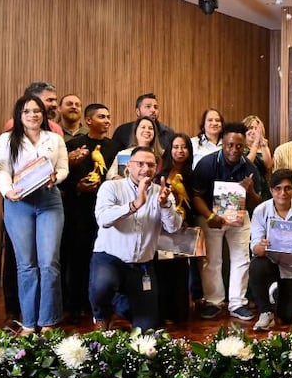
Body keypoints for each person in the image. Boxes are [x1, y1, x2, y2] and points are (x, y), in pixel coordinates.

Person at [0, 94, 70, 334]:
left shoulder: (55, 139)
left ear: (44, 114)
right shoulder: (7, 139)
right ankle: (28, 322)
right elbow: (2, 170)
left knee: (49, 263)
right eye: (27, 111)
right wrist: (8, 192)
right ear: (19, 115)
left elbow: (63, 169)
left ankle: (47, 321)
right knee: (26, 265)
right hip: (19, 204)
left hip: (49, 202)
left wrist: (55, 178)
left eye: (37, 111)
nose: (32, 115)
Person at [90, 146, 180, 331]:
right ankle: (102, 315)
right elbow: (104, 219)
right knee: (102, 286)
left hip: (142, 265)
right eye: (140, 164)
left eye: (150, 165)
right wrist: (135, 204)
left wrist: (165, 205)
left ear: (156, 168)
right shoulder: (111, 187)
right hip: (110, 259)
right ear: (128, 166)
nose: (145, 169)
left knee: (147, 329)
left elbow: (173, 227)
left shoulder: (161, 192)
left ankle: (122, 303)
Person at [190, 122, 260, 321]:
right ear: (223, 143)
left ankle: (237, 303)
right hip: (211, 216)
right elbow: (196, 196)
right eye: (230, 145)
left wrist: (251, 191)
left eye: (239, 146)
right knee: (212, 260)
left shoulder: (250, 167)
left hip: (240, 217)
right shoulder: (206, 164)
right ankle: (214, 302)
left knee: (241, 259)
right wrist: (210, 217)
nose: (234, 150)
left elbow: (257, 201)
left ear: (244, 146)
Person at [59, 103, 119, 324]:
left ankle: (103, 305)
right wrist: (78, 187)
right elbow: (60, 180)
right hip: (78, 211)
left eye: (109, 116)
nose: (107, 120)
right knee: (77, 260)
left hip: (105, 213)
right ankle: (76, 305)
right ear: (88, 121)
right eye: (102, 116)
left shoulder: (116, 147)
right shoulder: (73, 146)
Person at [248, 169, 292, 331]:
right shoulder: (261, 211)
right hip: (269, 262)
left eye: (288, 188)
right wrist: (261, 247)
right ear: (271, 190)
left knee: (287, 317)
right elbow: (255, 246)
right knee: (256, 265)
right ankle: (265, 311)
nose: (283, 193)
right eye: (278, 188)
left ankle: (276, 293)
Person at [155, 131, 200, 324]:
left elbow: (196, 201)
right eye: (175, 147)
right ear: (169, 150)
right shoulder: (161, 175)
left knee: (181, 271)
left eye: (184, 147)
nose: (180, 151)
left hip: (185, 228)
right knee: (163, 271)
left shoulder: (193, 174)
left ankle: (180, 313)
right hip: (163, 228)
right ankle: (163, 312)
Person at [111, 93, 177, 153]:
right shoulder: (123, 130)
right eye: (148, 106)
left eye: (155, 107)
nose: (153, 110)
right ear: (138, 111)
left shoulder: (168, 133)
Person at [242, 114, 273, 211]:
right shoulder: (240, 147)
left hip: (263, 187)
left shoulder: (264, 146)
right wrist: (255, 144)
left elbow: (269, 166)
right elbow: (247, 164)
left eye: (256, 128)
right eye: (251, 128)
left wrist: (262, 143)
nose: (254, 131)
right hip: (247, 186)